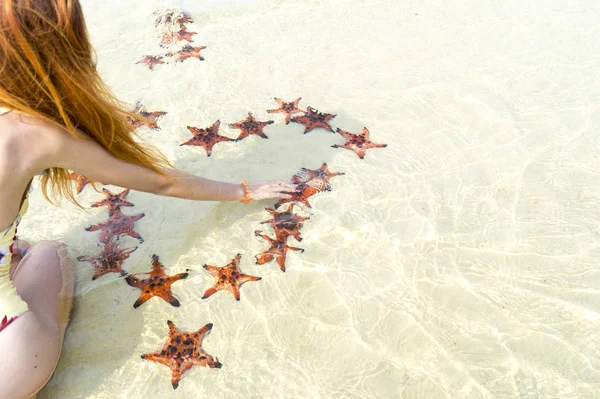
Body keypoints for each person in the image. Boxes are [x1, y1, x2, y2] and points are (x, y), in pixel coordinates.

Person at [0, 1, 296, 397]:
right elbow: (162, 183)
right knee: (51, 253)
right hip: (12, 352)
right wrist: (245, 192)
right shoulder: (31, 132)